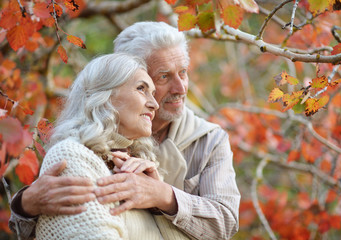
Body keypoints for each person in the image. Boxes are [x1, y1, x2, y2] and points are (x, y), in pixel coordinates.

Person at [9, 21, 240, 240]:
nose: (180, 88)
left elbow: (226, 223)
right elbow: (56, 226)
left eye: (183, 72)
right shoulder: (81, 149)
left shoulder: (210, 139)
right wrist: (26, 204)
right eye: (163, 76)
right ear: (123, 76)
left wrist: (162, 195)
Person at [34, 53, 167, 239]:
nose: (155, 104)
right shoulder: (71, 156)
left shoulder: (141, 168)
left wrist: (160, 196)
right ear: (105, 95)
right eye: (141, 89)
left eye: (152, 93)